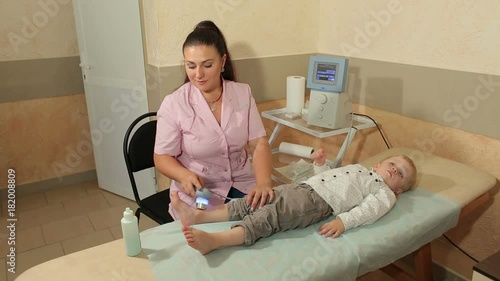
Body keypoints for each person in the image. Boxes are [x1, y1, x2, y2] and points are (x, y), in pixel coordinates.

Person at [172, 149, 417, 255]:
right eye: (393, 164)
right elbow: (329, 175)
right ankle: (201, 216)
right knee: (254, 201)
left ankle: (215, 241)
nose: (395, 170)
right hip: (304, 188)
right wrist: (320, 164)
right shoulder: (360, 169)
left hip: (317, 204)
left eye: (401, 174)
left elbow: (368, 211)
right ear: (378, 164)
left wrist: (343, 221)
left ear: (399, 191)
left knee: (268, 217)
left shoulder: (384, 194)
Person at [154, 20, 274, 220]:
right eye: (190, 66)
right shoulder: (175, 104)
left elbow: (258, 142)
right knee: (212, 220)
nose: (198, 74)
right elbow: (162, 157)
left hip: (242, 182)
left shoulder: (242, 93)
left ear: (223, 62)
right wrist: (183, 175)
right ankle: (200, 215)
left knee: (267, 219)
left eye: (207, 65)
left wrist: (263, 183)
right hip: (201, 189)